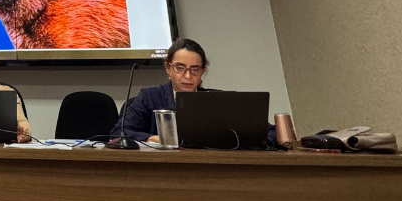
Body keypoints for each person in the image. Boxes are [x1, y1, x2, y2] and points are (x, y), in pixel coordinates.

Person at [109, 38, 276, 143]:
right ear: (168, 68)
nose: (188, 76)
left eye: (195, 69)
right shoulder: (150, 97)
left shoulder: (217, 99)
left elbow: (269, 132)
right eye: (180, 68)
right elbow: (118, 133)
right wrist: (157, 139)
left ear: (202, 71)